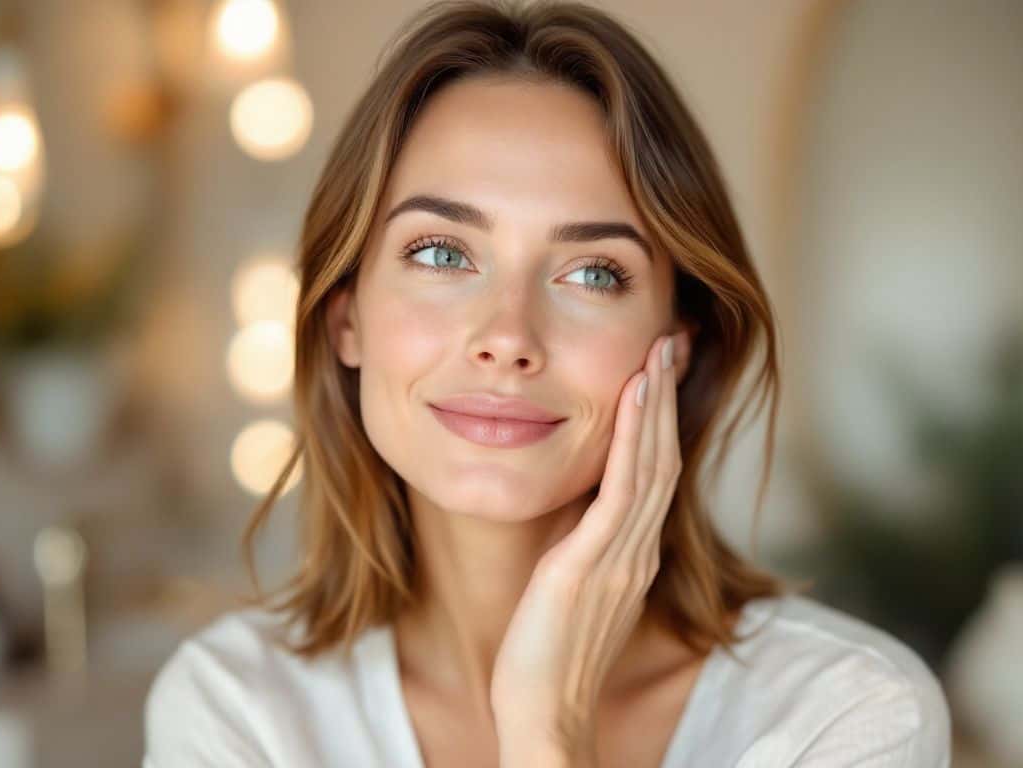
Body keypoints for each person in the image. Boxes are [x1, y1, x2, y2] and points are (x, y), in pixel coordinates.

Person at [143, 1, 951, 765]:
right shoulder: (236, 712)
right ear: (345, 319)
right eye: (440, 253)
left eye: (593, 272)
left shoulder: (844, 716)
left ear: (676, 346)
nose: (507, 338)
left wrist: (546, 732)